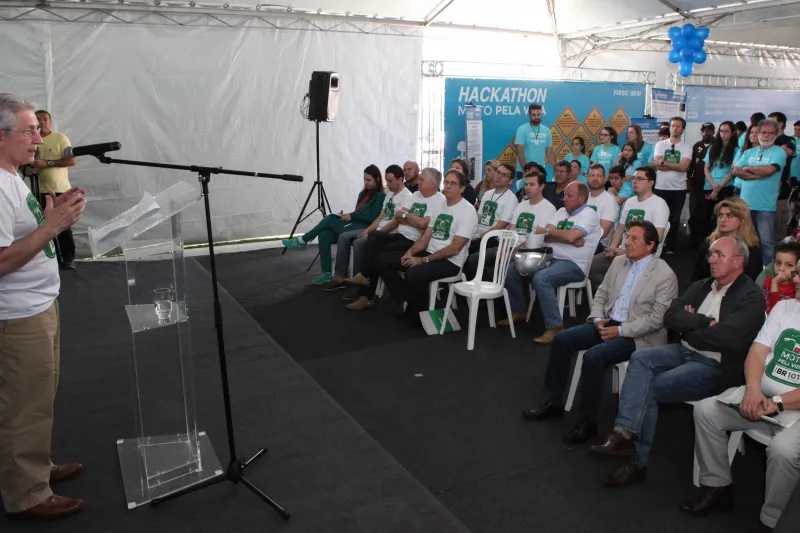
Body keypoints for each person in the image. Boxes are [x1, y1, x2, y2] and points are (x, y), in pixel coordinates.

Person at [589, 236, 766, 487]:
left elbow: (729, 338)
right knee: (640, 358)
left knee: (652, 386)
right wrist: (704, 322)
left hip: (714, 364)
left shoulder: (751, 296)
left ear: (738, 261)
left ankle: (637, 460)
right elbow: (671, 316)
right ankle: (625, 432)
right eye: (710, 254)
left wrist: (689, 327)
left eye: (719, 254)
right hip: (683, 350)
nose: (711, 259)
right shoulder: (702, 285)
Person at [0, 93, 87, 520]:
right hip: (17, 316)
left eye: (39, 129)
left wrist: (56, 216)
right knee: (23, 405)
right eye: (30, 131)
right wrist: (52, 227)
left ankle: (34, 466)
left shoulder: (13, 176)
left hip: (38, 305)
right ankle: (27, 494)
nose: (39, 138)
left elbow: (27, 236)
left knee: (38, 396)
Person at [522, 221, 677, 445]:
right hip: (607, 322)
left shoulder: (664, 275)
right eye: (627, 237)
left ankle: (588, 423)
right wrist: (596, 319)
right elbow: (601, 294)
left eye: (634, 239)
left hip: (637, 334)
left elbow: (657, 320)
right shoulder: (620, 262)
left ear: (651, 245)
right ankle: (553, 402)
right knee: (562, 339)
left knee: (594, 356)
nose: (627, 242)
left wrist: (621, 330)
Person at [681, 293, 800, 530]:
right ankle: (718, 489)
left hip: (793, 408)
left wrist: (776, 402)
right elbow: (757, 351)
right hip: (760, 397)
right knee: (706, 411)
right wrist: (753, 390)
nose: (796, 279)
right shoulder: (785, 307)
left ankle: (774, 520)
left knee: (784, 450)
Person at [373, 169, 477, 322]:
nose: (448, 186)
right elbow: (426, 237)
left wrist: (423, 260)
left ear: (462, 188)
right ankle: (405, 297)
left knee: (414, 272)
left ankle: (417, 317)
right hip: (430, 252)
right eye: (446, 182)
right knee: (382, 259)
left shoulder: (467, 211)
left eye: (453, 183)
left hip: (451, 261)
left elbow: (454, 249)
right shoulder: (441, 205)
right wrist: (410, 252)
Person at [507, 182, 600, 344]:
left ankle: (555, 326)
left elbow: (569, 236)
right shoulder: (561, 212)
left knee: (541, 278)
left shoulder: (589, 214)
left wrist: (559, 235)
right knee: (513, 268)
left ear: (581, 198)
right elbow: (543, 234)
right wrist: (566, 237)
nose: (564, 199)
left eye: (569, 196)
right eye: (564, 195)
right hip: (550, 258)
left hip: (574, 264)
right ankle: (518, 310)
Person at [345, 168, 445, 308]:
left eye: (422, 179)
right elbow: (398, 216)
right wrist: (411, 219)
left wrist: (407, 217)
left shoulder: (439, 201)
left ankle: (369, 294)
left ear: (433, 183)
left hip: (414, 241)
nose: (418, 181)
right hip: (400, 234)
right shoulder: (416, 195)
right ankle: (365, 279)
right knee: (374, 236)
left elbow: (423, 225)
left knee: (376, 254)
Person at [283, 164, 385, 285]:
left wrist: (352, 216)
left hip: (365, 228)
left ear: (377, 179)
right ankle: (326, 273)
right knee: (324, 234)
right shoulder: (363, 194)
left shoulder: (380, 196)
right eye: (364, 179)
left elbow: (373, 218)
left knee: (330, 219)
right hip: (354, 224)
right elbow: (359, 213)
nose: (366, 182)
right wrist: (347, 215)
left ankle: (303, 240)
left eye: (369, 180)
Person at [324, 164, 412, 291]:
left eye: (390, 181)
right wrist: (368, 230)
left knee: (359, 243)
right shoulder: (389, 193)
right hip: (378, 230)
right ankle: (340, 277)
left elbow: (395, 223)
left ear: (400, 180)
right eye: (386, 181)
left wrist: (374, 234)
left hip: (390, 233)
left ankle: (358, 280)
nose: (387, 184)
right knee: (344, 237)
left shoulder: (407, 197)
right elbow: (380, 217)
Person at [589, 167, 669, 289]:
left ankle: (616, 291)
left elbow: (657, 238)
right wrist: (612, 247)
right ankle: (614, 291)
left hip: (642, 257)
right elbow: (620, 228)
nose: (635, 181)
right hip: (621, 252)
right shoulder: (630, 202)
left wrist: (627, 252)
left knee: (605, 275)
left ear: (651, 183)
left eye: (640, 179)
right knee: (588, 268)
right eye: (634, 178)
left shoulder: (659, 204)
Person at [497, 170, 558, 326]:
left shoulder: (548, 208)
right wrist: (505, 247)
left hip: (534, 252)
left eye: (532, 184)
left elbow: (539, 236)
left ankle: (516, 309)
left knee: (507, 267)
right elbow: (512, 229)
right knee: (483, 258)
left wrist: (513, 251)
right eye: (526, 184)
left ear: (542, 186)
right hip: (515, 246)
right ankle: (497, 303)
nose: (527, 188)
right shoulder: (521, 205)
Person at [732, 118, 787, 265]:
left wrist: (747, 168)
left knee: (766, 242)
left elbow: (769, 171)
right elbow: (735, 170)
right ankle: (745, 269)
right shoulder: (749, 152)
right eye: (764, 132)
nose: (766, 136)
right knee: (743, 241)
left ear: (776, 135)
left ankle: (766, 273)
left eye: (770, 133)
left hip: (766, 207)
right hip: (745, 206)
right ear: (758, 134)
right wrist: (757, 174)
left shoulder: (779, 152)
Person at [33, 110, 77, 270]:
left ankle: (69, 258)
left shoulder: (60, 138)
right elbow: (27, 164)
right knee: (44, 226)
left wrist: (47, 163)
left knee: (63, 225)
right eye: (38, 119)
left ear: (50, 122)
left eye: (45, 119)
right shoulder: (32, 141)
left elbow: (71, 161)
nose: (42, 122)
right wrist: (30, 168)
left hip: (60, 190)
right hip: (39, 191)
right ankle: (53, 259)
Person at [463, 163, 518, 280]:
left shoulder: (511, 199)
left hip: (495, 239)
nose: (499, 176)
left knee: (468, 252)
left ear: (510, 181)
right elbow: (478, 217)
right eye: (498, 172)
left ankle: (473, 285)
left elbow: (501, 225)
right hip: (479, 235)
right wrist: (468, 231)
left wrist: (481, 236)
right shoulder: (488, 194)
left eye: (504, 175)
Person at [691, 198, 763, 282]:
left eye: (729, 216)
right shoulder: (709, 243)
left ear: (742, 219)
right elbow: (695, 276)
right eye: (720, 215)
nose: (722, 220)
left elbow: (753, 280)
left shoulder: (752, 249)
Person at [653, 116, 692, 254]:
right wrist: (675, 165)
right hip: (661, 188)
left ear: (682, 129)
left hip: (678, 189)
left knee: (674, 219)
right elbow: (657, 165)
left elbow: (684, 167)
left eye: (678, 126)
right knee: (659, 218)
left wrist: (664, 162)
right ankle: (656, 244)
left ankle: (671, 245)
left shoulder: (687, 147)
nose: (675, 128)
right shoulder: (660, 145)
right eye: (673, 125)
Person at [700, 121, 738, 238]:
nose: (723, 134)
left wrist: (717, 189)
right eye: (721, 131)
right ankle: (706, 244)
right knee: (705, 218)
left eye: (726, 131)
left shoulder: (736, 150)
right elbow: (706, 168)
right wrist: (712, 184)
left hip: (725, 187)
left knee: (722, 218)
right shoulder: (712, 147)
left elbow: (732, 172)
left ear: (732, 133)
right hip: (709, 186)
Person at [768, 112, 797, 241]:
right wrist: (780, 148)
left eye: (771, 121)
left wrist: (776, 148)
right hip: (763, 187)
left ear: (780, 124)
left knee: (780, 225)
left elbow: (788, 152)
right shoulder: (766, 139)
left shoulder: (789, 140)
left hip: (781, 188)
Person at [688, 122, 716, 247]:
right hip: (696, 184)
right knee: (694, 211)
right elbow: (691, 165)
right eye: (704, 131)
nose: (706, 133)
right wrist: (689, 178)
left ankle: (707, 240)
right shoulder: (697, 146)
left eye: (709, 130)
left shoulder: (717, 145)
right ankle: (693, 240)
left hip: (710, 185)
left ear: (713, 132)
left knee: (707, 213)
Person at [515, 103, 556, 182]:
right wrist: (526, 170)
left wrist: (555, 170)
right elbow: (520, 152)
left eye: (539, 114)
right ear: (529, 115)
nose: (537, 117)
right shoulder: (522, 129)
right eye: (534, 115)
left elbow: (550, 153)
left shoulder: (547, 131)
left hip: (540, 171)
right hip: (524, 171)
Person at [585, 164, 619, 252]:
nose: (595, 179)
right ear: (587, 178)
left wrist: (576, 236)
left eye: (599, 176)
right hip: (579, 239)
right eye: (592, 175)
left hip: (598, 245)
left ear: (604, 179)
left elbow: (603, 232)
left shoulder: (609, 200)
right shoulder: (582, 197)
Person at [763, 240, 800, 314]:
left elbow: (776, 313)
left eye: (789, 265)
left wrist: (774, 285)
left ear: (797, 268)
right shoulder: (768, 281)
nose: (781, 269)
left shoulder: (797, 288)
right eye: (778, 263)